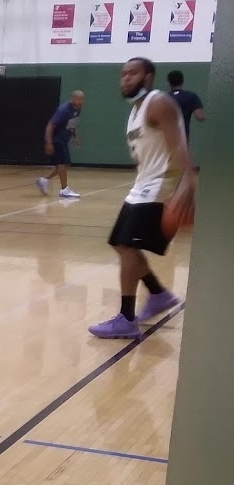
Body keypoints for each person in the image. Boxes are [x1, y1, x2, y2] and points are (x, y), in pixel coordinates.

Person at [88, 57, 194, 339]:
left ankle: (126, 318)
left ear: (148, 77)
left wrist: (188, 182)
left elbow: (179, 143)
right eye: (122, 74)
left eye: (132, 73)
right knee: (121, 245)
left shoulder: (158, 103)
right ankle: (158, 294)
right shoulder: (135, 112)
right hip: (143, 185)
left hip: (161, 188)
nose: (125, 78)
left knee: (126, 244)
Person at [37, 90, 84, 199]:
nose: (81, 101)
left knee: (64, 165)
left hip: (64, 140)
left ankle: (43, 180)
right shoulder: (63, 110)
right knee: (62, 164)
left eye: (82, 99)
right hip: (56, 140)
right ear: (73, 99)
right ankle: (64, 190)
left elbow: (72, 124)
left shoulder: (77, 109)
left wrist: (75, 137)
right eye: (79, 99)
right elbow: (50, 125)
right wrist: (48, 142)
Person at [166, 70, 205, 142]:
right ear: (182, 81)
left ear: (169, 83)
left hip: (164, 139)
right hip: (182, 139)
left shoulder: (162, 98)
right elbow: (200, 117)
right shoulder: (191, 96)